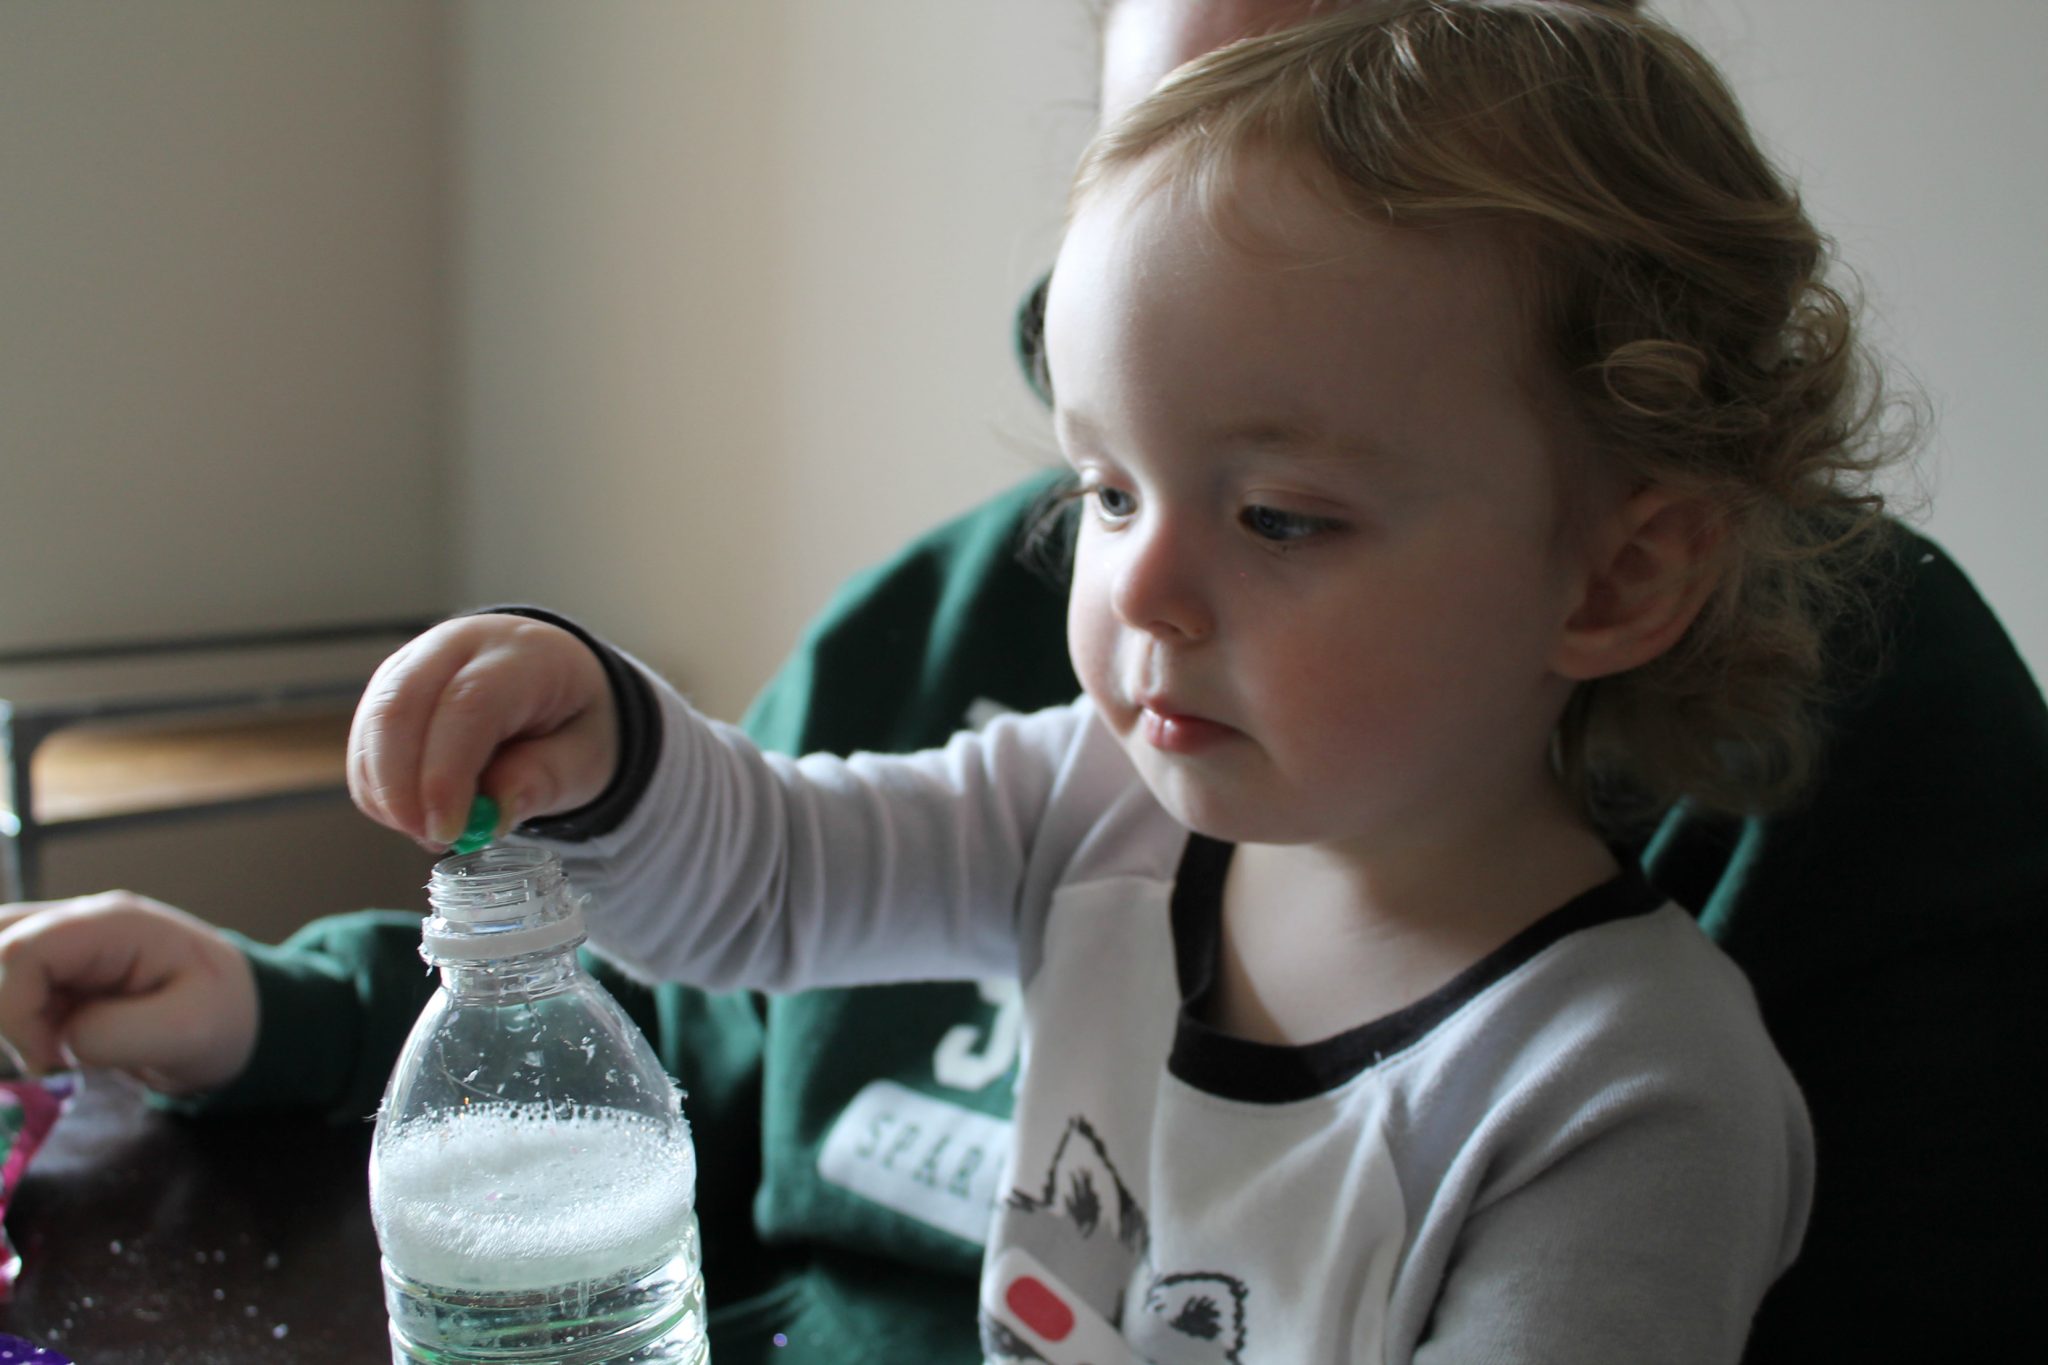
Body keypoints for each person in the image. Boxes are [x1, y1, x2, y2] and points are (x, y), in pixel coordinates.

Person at [4, 2, 2044, 1362]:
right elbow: (769, 889)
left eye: (1285, 517)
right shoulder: (1100, 798)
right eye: (1100, 484)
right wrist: (606, 734)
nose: (1133, 585)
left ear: (1616, 569)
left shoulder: (1624, 1090)